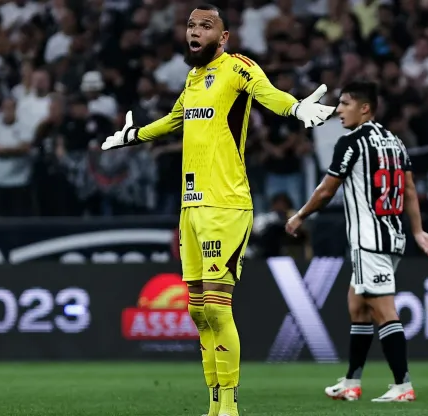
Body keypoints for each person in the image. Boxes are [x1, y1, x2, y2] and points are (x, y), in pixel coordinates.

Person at [100, 4, 334, 416]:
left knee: (215, 305)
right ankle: (213, 401)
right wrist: (134, 135)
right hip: (190, 206)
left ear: (223, 37)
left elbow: (270, 95)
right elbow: (176, 120)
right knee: (195, 308)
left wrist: (297, 108)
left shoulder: (238, 68)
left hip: (226, 204)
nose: (195, 32)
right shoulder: (192, 78)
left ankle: (230, 403)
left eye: (206, 26)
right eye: (191, 25)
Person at [285, 81, 428, 403]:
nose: (338, 110)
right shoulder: (395, 142)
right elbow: (410, 190)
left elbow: (327, 190)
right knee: (358, 307)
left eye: (344, 104)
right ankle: (351, 383)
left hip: (369, 239)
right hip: (393, 235)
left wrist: (300, 215)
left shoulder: (352, 142)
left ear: (365, 108)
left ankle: (403, 385)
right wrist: (417, 231)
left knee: (384, 311)